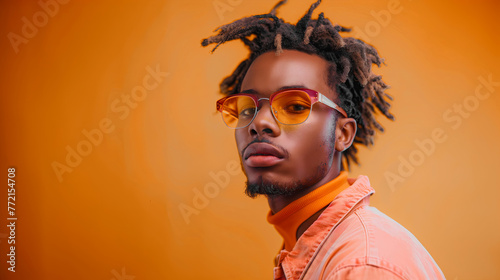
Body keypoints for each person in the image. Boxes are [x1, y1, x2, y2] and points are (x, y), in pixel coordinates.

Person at [202, 0, 445, 279]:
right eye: (248, 108)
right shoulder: (306, 247)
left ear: (343, 133)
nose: (259, 123)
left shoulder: (361, 265)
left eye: (295, 106)